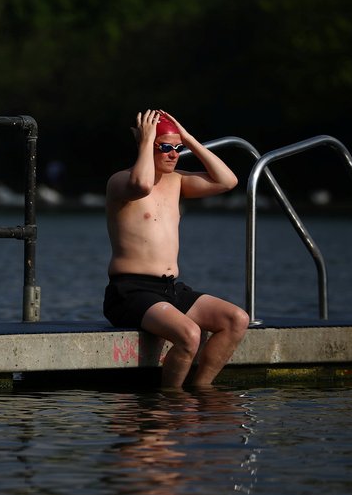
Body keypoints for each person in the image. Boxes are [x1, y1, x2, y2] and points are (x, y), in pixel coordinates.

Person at [103, 110, 249, 387]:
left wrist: (189, 138)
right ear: (146, 144)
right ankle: (170, 401)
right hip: (130, 291)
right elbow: (143, 184)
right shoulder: (121, 182)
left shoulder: (178, 181)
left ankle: (200, 391)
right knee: (190, 334)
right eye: (166, 147)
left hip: (169, 289)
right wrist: (146, 141)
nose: (173, 154)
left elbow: (227, 181)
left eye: (177, 149)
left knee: (236, 319)